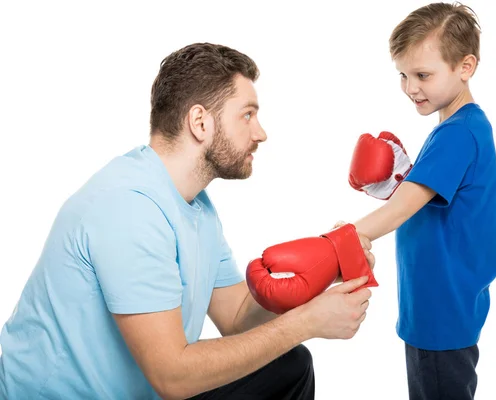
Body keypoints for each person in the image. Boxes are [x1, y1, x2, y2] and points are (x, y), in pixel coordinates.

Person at [0, 42, 374, 400]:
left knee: (288, 367)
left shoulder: (195, 205)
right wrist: (306, 322)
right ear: (200, 121)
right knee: (283, 352)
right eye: (247, 114)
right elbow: (172, 377)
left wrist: (329, 265)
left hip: (146, 389)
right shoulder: (129, 208)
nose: (260, 133)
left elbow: (238, 316)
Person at [343, 3, 496, 399]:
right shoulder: (456, 127)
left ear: (466, 67)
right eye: (403, 74)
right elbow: (426, 201)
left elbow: (403, 208)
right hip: (445, 305)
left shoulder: (457, 134)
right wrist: (400, 180)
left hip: (439, 313)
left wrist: (344, 237)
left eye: (422, 75)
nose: (410, 87)